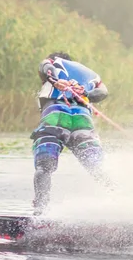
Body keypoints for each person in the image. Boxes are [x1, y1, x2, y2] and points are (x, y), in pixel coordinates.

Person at [30, 52, 110, 216]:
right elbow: (103, 93)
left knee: (44, 167)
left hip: (56, 115)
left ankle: (40, 213)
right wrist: (86, 94)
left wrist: (53, 80)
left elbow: (46, 67)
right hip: (82, 119)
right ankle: (123, 201)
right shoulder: (92, 75)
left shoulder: (54, 62)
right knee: (97, 167)